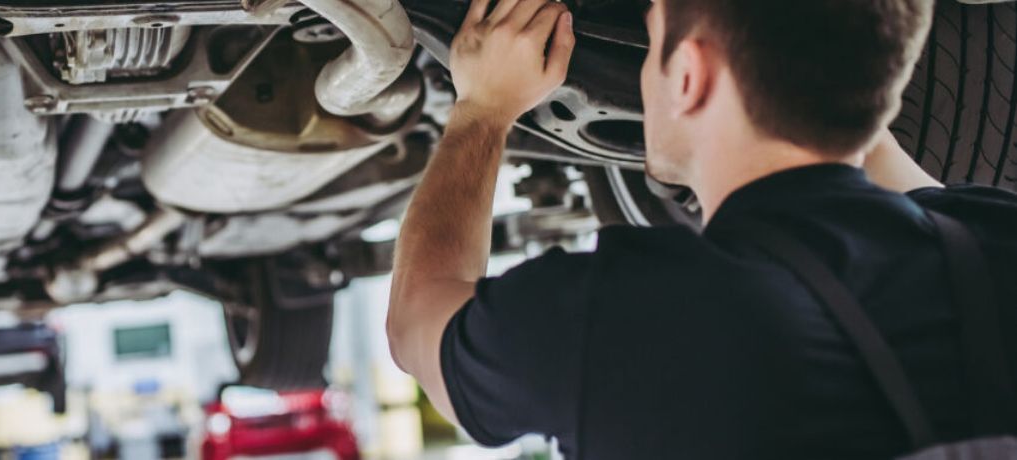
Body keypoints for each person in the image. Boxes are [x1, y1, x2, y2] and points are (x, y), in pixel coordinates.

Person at [387, 0, 1016, 458]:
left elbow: (418, 325)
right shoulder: (996, 242)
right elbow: (909, 182)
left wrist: (483, 108)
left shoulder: (626, 319)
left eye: (651, 32)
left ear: (688, 76)